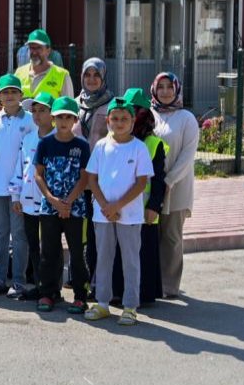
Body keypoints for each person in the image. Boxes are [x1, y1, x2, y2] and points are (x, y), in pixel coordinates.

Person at [84, 96, 153, 326]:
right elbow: (92, 179)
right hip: (102, 214)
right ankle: (102, 303)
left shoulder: (139, 148)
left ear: (133, 121)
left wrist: (117, 206)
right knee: (103, 258)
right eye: (115, 118)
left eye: (124, 118)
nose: (119, 122)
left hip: (129, 215)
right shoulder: (101, 146)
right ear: (108, 121)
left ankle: (130, 306)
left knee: (130, 260)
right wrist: (105, 205)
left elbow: (141, 183)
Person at [32, 96, 92, 314]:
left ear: (75, 119)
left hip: (75, 209)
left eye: (68, 117)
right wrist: (53, 200)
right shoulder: (45, 144)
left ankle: (80, 296)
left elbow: (85, 177)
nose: (63, 121)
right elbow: (38, 175)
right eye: (59, 117)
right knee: (48, 252)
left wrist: (68, 202)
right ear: (53, 118)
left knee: (77, 253)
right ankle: (47, 293)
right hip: (49, 208)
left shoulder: (82, 146)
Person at [111, 87, 166, 307]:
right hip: (118, 207)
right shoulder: (113, 138)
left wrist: (154, 207)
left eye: (135, 110)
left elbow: (159, 180)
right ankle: (118, 292)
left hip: (143, 209)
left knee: (143, 254)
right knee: (119, 252)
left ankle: (144, 294)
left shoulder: (153, 143)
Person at [0, 75, 33, 297]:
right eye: (5, 92)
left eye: (14, 92)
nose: (10, 96)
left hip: (20, 190)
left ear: (21, 95)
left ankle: (19, 281)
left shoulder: (30, 120)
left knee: (19, 234)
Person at [152, 72, 199, 299]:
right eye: (160, 87)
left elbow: (187, 155)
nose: (165, 91)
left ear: (177, 89)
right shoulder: (150, 115)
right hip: (151, 187)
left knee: (171, 236)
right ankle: (152, 281)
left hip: (176, 187)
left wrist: (168, 181)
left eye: (169, 87)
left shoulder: (186, 118)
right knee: (151, 234)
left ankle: (169, 285)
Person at [9, 92, 55, 301]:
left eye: (42, 110)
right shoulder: (27, 138)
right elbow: (21, 167)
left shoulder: (59, 139)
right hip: (28, 202)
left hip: (50, 203)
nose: (37, 115)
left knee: (50, 246)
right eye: (34, 111)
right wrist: (16, 196)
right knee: (33, 245)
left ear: (52, 114)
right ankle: (39, 284)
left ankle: (52, 288)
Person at [14, 29, 74, 100]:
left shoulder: (62, 75)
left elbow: (68, 106)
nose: (34, 52)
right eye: (31, 48)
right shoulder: (19, 73)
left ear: (48, 51)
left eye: (39, 48)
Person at [77, 58, 114, 147]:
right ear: (82, 77)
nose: (91, 79)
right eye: (87, 75)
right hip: (76, 159)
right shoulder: (75, 103)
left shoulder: (112, 105)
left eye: (96, 75)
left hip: (102, 159)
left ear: (103, 77)